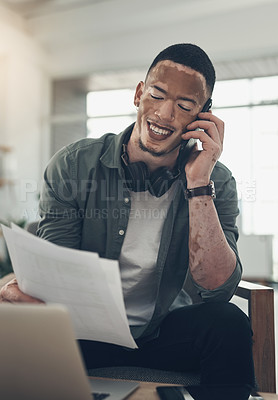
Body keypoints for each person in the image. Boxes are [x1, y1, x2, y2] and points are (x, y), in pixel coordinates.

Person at [0, 43, 255, 393]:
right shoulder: (74, 165)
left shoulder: (216, 180)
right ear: (139, 94)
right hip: (83, 333)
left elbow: (217, 290)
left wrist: (198, 185)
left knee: (229, 323)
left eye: (184, 106)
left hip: (164, 332)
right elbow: (55, 267)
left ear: (202, 117)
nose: (165, 114)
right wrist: (26, 294)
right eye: (158, 95)